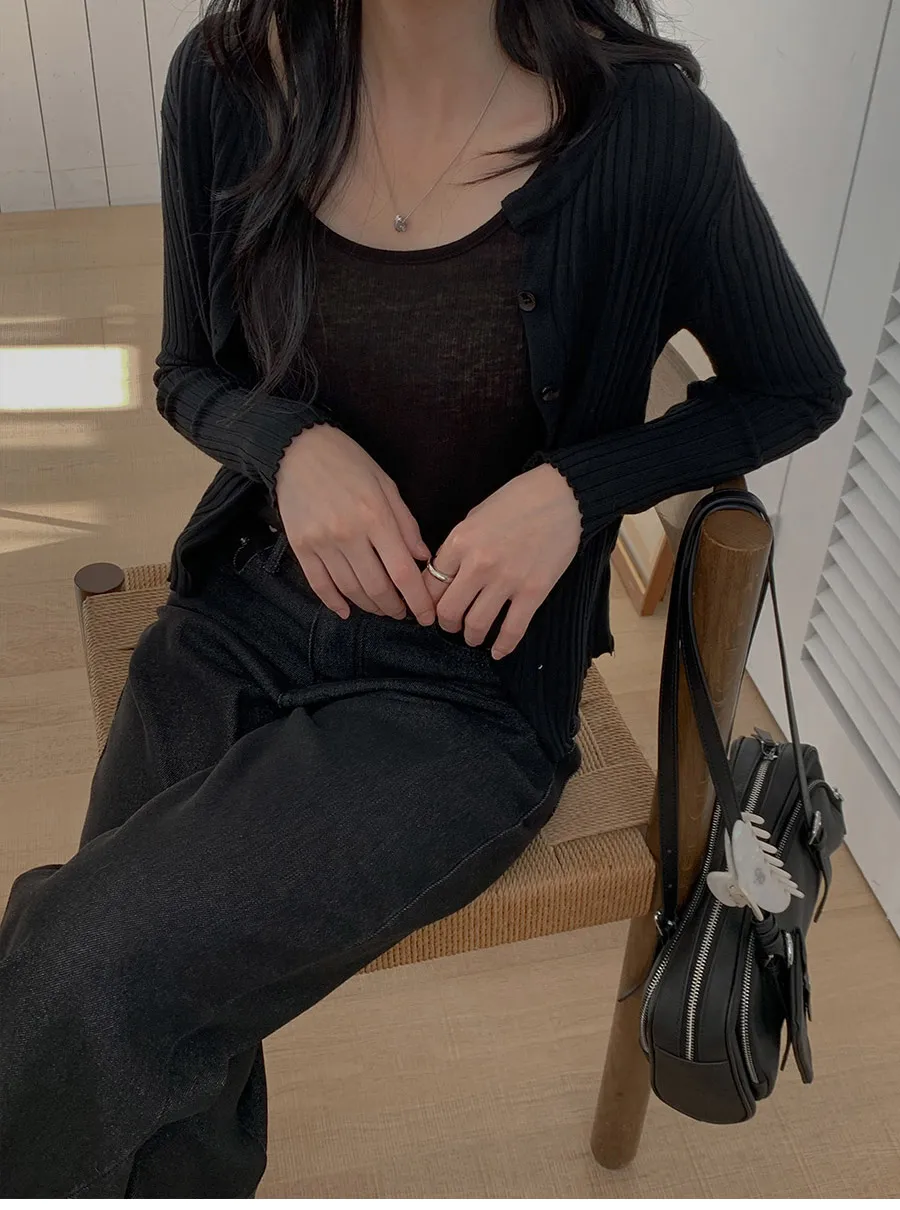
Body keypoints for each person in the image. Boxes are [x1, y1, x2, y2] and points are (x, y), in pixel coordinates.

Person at [0, 0, 850, 1197]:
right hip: (241, 616)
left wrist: (577, 489)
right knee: (122, 994)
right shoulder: (228, 79)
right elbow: (188, 372)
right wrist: (287, 446)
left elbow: (795, 385)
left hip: (469, 695)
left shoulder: (648, 132)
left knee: (80, 966)